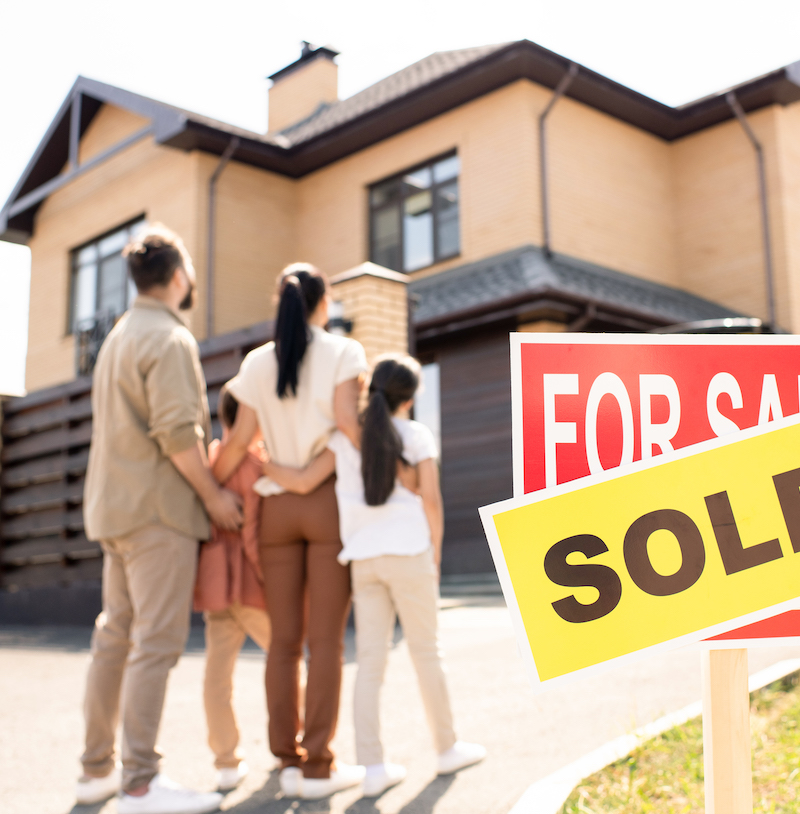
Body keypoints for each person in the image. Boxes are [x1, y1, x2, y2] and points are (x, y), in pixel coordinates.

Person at [262, 354, 486, 798]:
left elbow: (306, 481)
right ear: (411, 397)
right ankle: (446, 748)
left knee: (370, 664)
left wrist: (263, 467)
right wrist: (436, 555)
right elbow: (432, 501)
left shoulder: (344, 441)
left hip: (363, 560)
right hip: (409, 552)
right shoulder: (417, 435)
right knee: (426, 652)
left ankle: (373, 768)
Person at [77, 225, 242, 814]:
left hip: (113, 511)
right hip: (157, 514)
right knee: (154, 643)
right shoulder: (169, 340)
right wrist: (214, 498)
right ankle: (141, 782)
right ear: (177, 277)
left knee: (114, 638)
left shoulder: (119, 337)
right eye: (190, 270)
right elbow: (177, 433)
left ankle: (96, 771)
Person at [213, 264, 367, 800]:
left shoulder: (257, 362)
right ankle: (319, 766)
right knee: (325, 641)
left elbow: (238, 443)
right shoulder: (344, 351)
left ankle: (287, 761)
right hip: (326, 506)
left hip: (275, 509)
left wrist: (209, 490)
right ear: (323, 303)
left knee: (283, 642)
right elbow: (350, 423)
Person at [193, 385, 272, 792]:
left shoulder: (211, 458)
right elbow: (255, 533)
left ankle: (226, 761)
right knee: (285, 662)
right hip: (251, 584)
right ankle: (291, 744)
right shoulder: (256, 465)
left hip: (215, 584)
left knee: (217, 674)